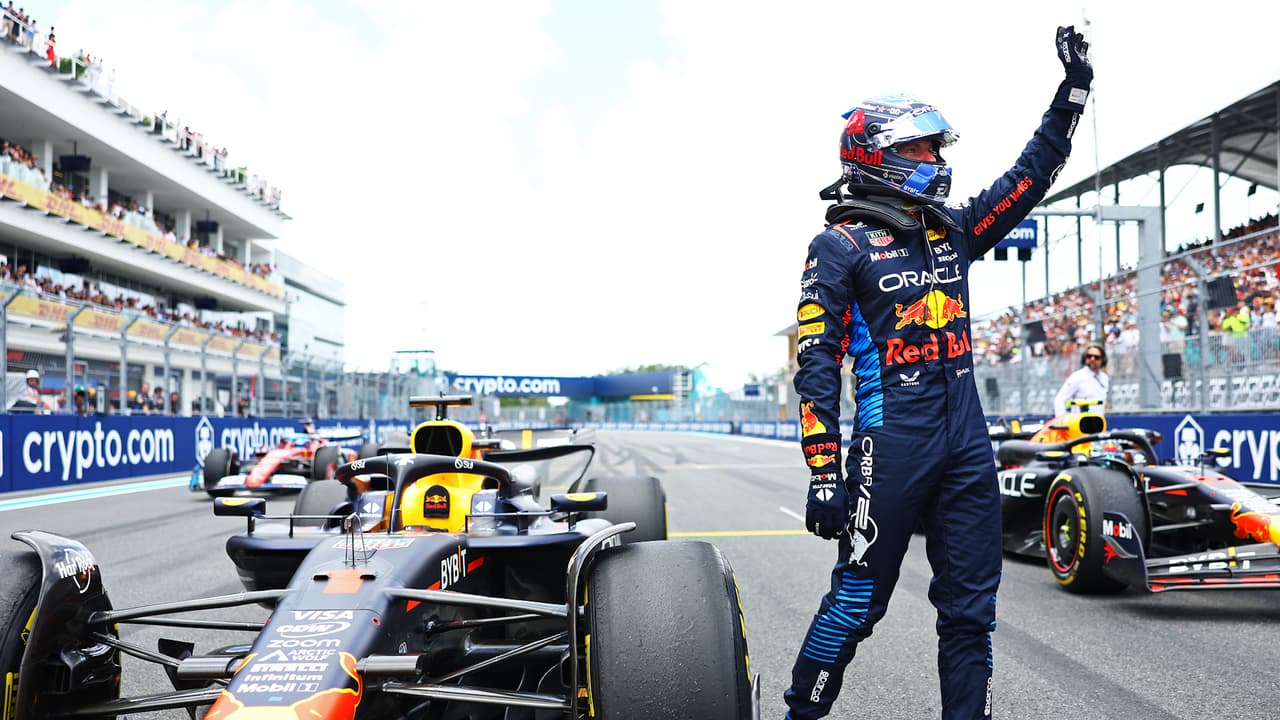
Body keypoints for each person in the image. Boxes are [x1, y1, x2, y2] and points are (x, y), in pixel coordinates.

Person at [786, 25, 1092, 720]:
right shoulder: (836, 245)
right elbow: (815, 365)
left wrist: (1070, 96)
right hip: (888, 446)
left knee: (970, 615)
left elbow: (1028, 177)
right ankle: (798, 713)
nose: (932, 159)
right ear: (877, 158)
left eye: (933, 146)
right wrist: (824, 470)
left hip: (964, 442)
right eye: (917, 147)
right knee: (858, 602)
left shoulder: (950, 228)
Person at [1053, 343, 1109, 416]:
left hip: (1098, 423)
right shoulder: (1077, 376)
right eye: (1089, 356)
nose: (1092, 359)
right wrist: (1061, 420)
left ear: (1102, 359)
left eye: (1096, 357)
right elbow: (1060, 399)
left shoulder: (1104, 378)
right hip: (1080, 423)